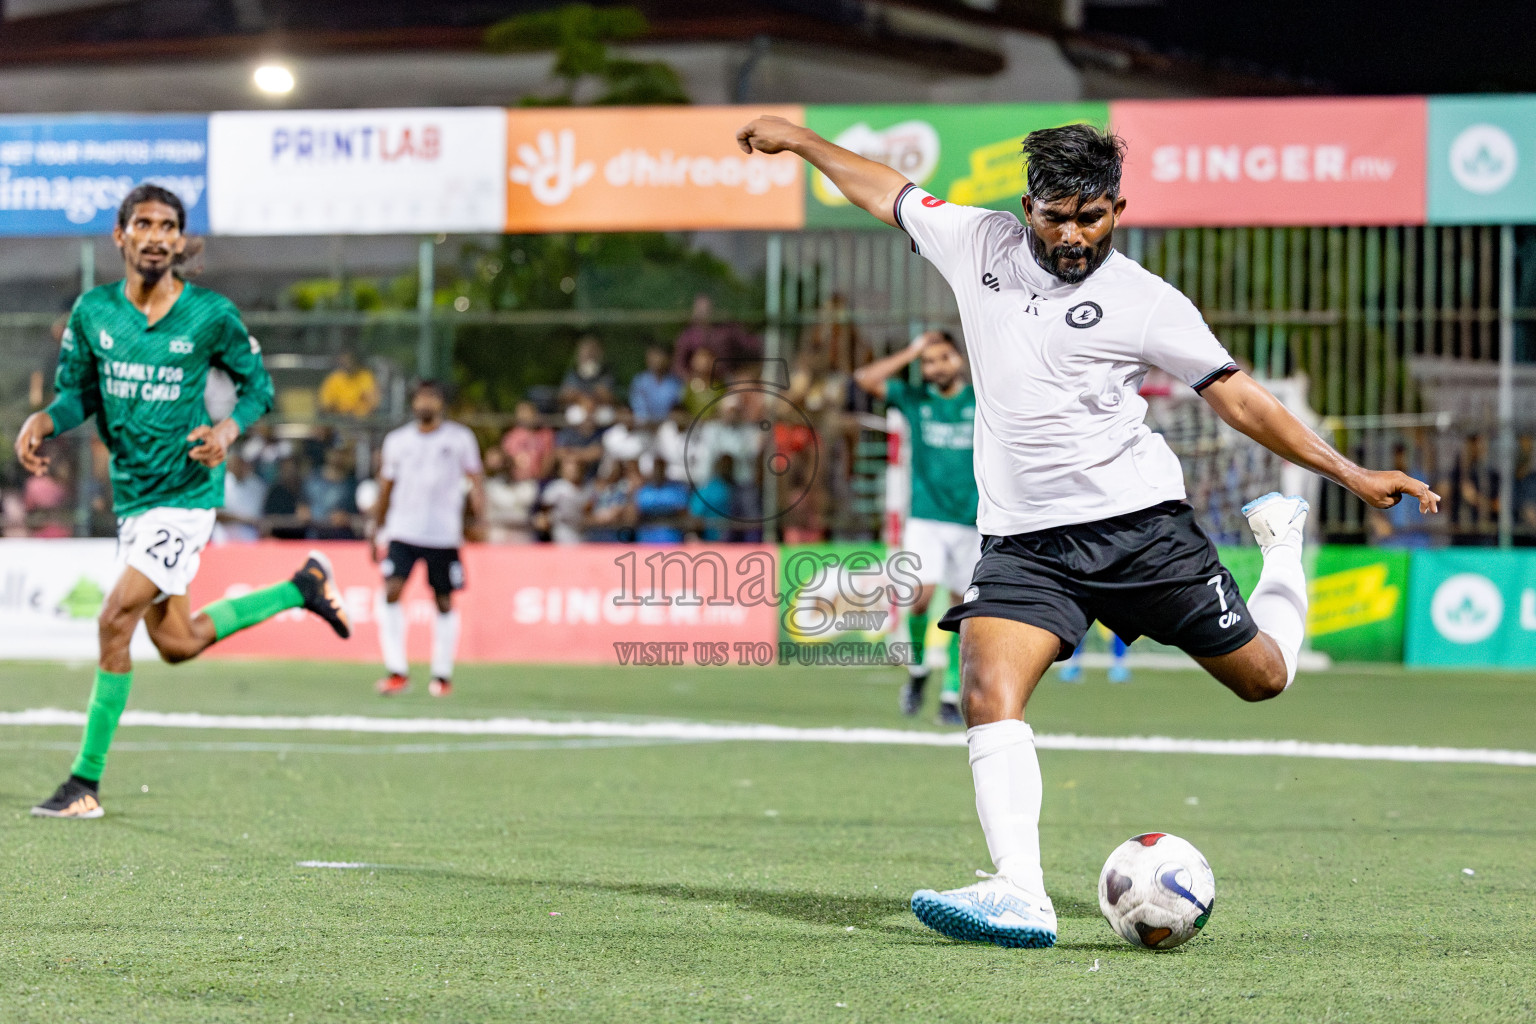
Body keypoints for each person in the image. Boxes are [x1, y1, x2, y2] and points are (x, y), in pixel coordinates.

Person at [736, 115, 1440, 948]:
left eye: (1092, 216)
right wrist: (804, 141)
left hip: (1140, 530)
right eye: (1055, 216)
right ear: (1025, 206)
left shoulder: (1147, 301)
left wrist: (1352, 475)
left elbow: (1239, 398)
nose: (1072, 234)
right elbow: (881, 189)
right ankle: (1020, 892)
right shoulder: (977, 243)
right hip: (1026, 543)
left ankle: (1281, 544)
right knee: (988, 692)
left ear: (1118, 208)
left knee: (1263, 679)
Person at [11, 184, 351, 819]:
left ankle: (84, 783)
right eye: (143, 223)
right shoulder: (94, 313)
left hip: (187, 496)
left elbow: (258, 387)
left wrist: (226, 430)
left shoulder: (210, 316)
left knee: (113, 619)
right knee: (178, 642)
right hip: (135, 502)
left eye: (168, 225)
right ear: (121, 236)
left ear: (178, 239)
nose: (156, 234)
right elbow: (77, 396)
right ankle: (301, 588)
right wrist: (45, 421)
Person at [855, 329, 979, 726]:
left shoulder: (981, 400)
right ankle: (919, 671)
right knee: (921, 597)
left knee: (964, 608)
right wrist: (911, 350)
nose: (935, 366)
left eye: (942, 357)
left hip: (973, 520)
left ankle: (949, 693)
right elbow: (864, 380)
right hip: (926, 517)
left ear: (958, 360)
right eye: (928, 362)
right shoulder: (914, 400)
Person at [370, 380, 486, 698]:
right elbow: (386, 487)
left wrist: (479, 516)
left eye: (432, 398)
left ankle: (442, 674)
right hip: (402, 530)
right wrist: (375, 529)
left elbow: (475, 480)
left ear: (442, 403)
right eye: (421, 398)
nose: (426, 404)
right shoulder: (397, 441)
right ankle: (397, 670)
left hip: (444, 534)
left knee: (444, 600)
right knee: (392, 591)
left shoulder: (460, 439)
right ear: (413, 403)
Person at [216, 453, 267, 543]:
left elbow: (261, 517)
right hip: (224, 537)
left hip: (250, 538)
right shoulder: (221, 483)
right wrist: (245, 520)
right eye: (237, 463)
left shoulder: (257, 485)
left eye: (243, 463)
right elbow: (217, 515)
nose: (240, 466)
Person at [317, 348, 379, 420]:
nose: (347, 364)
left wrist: (357, 410)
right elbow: (325, 405)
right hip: (339, 420)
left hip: (361, 421)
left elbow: (373, 402)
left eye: (350, 360)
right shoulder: (334, 379)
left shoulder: (365, 377)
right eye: (344, 361)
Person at [629, 344, 683, 426]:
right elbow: (639, 411)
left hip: (667, 426)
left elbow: (679, 412)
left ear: (668, 358)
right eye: (652, 356)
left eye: (658, 356)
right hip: (642, 426)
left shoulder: (675, 384)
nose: (655, 360)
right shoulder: (640, 381)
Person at [558, 335, 616, 405]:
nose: (588, 355)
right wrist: (580, 397)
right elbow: (564, 395)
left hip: (599, 407)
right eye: (586, 352)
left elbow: (608, 396)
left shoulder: (606, 373)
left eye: (592, 352)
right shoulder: (573, 373)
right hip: (578, 407)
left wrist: (593, 397)